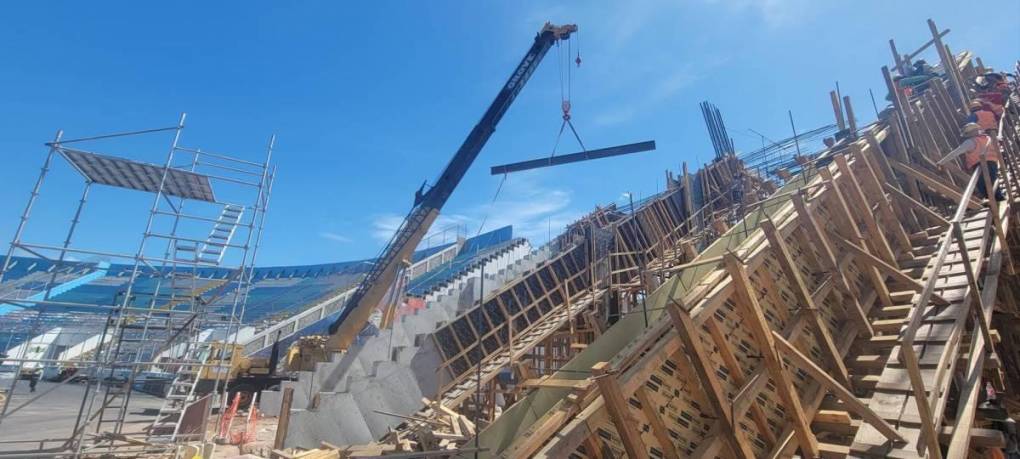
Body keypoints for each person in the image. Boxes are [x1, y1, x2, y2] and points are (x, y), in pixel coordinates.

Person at [936, 123, 1005, 202]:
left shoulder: (970, 142)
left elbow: (955, 153)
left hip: (980, 165)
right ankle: (998, 197)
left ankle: (993, 200)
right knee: (993, 180)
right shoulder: (987, 138)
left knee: (982, 184)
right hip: (993, 162)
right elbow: (998, 143)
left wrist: (941, 162)